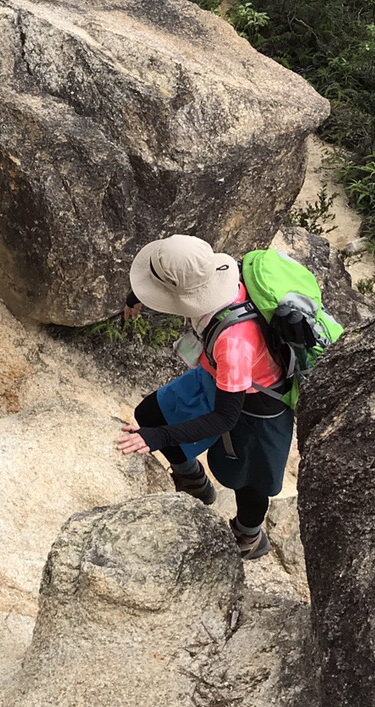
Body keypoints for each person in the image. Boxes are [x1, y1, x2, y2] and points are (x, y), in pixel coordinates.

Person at [114, 233, 293, 560]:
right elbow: (175, 286)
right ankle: (194, 482)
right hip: (218, 374)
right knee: (151, 412)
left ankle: (249, 536)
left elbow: (225, 418)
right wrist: (135, 297)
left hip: (259, 402)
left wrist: (158, 437)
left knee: (250, 481)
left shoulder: (234, 342)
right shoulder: (218, 273)